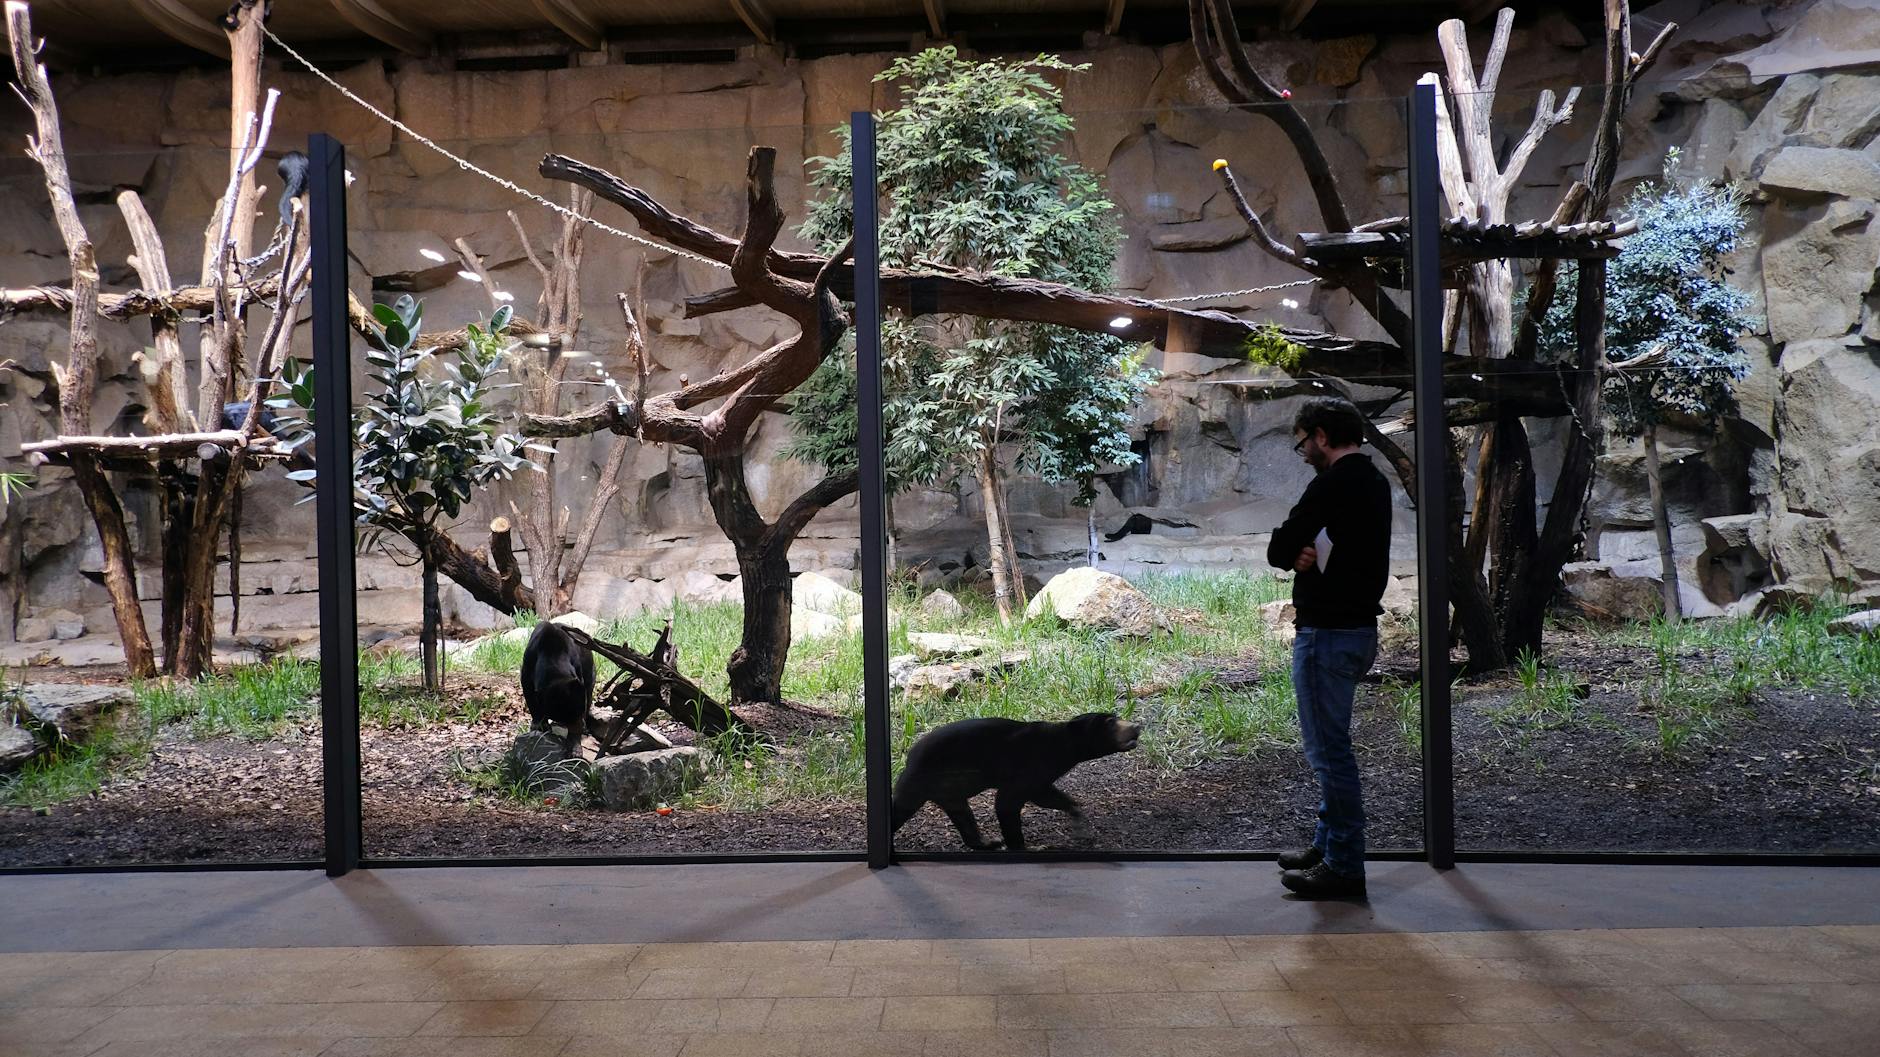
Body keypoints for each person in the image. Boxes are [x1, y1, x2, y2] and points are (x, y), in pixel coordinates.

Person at [1265, 396, 1392, 899]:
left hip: (1328, 634)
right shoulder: (1375, 480)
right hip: (1359, 629)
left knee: (1329, 753)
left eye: (1302, 442)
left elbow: (1281, 547)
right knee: (1333, 746)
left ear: (1321, 435)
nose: (1302, 452)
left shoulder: (1332, 483)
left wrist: (1291, 552)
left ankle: (1343, 862)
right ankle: (1326, 845)